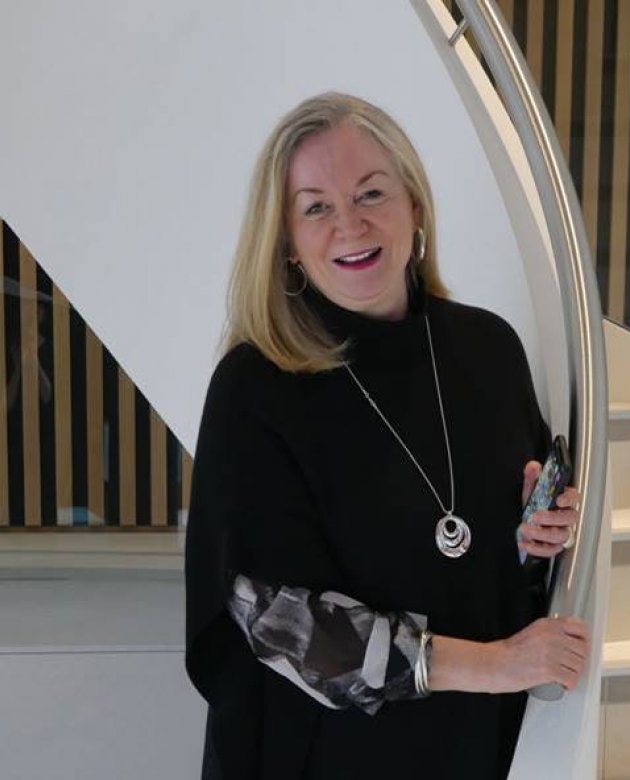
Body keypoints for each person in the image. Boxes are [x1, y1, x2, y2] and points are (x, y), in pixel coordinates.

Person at [185, 92, 589, 780]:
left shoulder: (488, 350)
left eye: (372, 192)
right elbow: (281, 622)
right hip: (325, 757)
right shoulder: (255, 387)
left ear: (415, 205)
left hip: (482, 746)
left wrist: (535, 539)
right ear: (284, 240)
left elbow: (487, 563)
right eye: (316, 206)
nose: (351, 224)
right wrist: (498, 665)